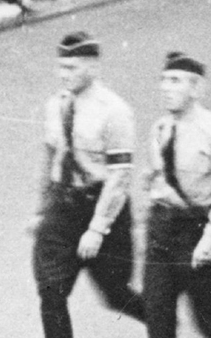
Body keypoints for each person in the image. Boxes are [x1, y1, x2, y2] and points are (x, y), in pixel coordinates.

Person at [34, 31, 144, 338]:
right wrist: (41, 209)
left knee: (116, 295)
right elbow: (51, 156)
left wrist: (98, 228)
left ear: (93, 67)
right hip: (62, 207)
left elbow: (120, 177)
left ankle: (163, 325)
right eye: (61, 67)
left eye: (72, 68)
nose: (63, 75)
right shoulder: (55, 105)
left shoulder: (114, 111)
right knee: (51, 292)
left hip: (102, 207)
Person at [145, 50, 211, 338]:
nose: (166, 87)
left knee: (207, 321)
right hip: (162, 234)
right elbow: (154, 182)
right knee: (158, 318)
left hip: (198, 231)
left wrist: (210, 243)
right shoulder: (160, 129)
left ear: (196, 88)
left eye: (175, 80)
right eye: (164, 80)